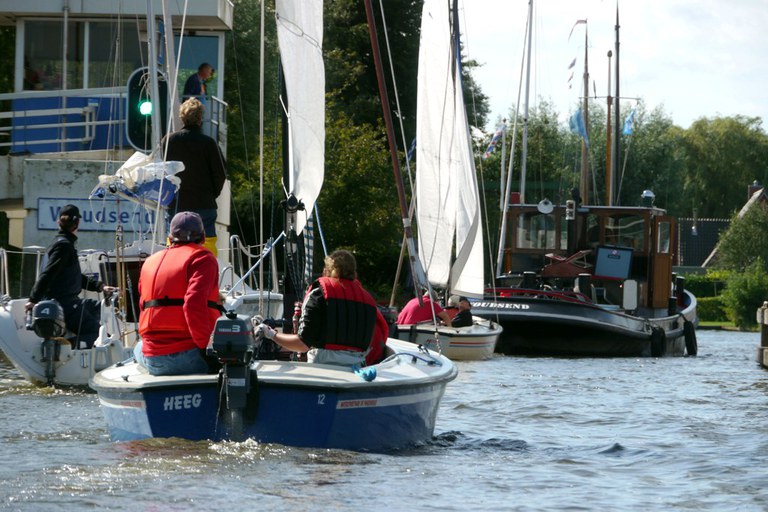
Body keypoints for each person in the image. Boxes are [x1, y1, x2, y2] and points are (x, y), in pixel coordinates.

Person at [256, 250, 388, 366]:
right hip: (356, 367)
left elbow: (302, 345)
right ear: (354, 273)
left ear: (326, 271)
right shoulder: (369, 302)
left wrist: (271, 334)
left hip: (322, 367)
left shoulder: (319, 295)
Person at [134, 211, 222, 376]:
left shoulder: (150, 261)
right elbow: (193, 303)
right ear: (203, 237)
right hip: (186, 357)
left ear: (170, 237)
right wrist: (205, 348)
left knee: (137, 348)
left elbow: (143, 304)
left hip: (151, 358)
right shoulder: (202, 258)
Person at [25, 205, 116, 349]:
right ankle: (64, 347)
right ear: (77, 224)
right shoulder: (64, 246)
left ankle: (72, 341)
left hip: (71, 302)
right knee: (99, 335)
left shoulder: (59, 244)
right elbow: (48, 274)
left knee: (98, 307)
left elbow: (74, 276)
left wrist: (100, 286)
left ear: (58, 223)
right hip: (65, 305)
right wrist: (33, 299)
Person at [162, 97, 227, 255]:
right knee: (207, 245)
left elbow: (163, 172)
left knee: (174, 247)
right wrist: (211, 194)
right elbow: (220, 174)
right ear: (200, 118)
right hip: (204, 204)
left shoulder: (168, 141)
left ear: (181, 117)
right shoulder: (209, 143)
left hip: (177, 204)